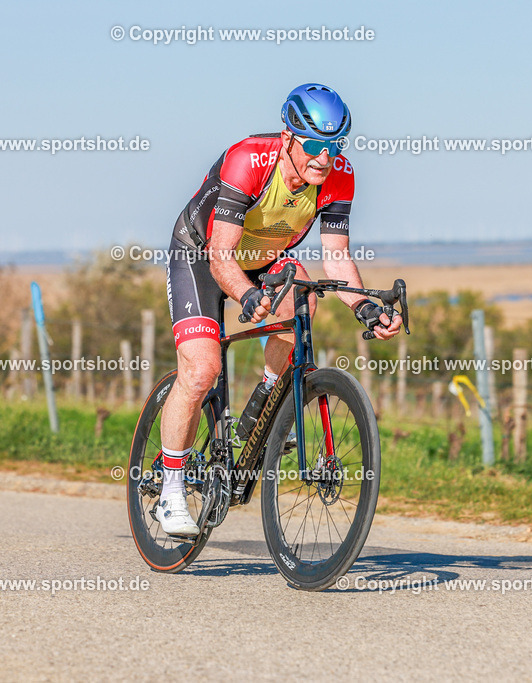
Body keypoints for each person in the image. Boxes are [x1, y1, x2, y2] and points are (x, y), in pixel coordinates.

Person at [158, 83, 402, 535]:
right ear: (288, 136)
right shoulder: (248, 161)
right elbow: (220, 255)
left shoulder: (339, 176)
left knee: (305, 298)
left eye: (334, 146)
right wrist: (247, 296)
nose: (323, 159)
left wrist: (364, 306)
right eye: (313, 145)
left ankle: (268, 396)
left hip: (265, 259)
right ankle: (172, 487)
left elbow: (336, 256)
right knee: (201, 371)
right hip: (202, 255)